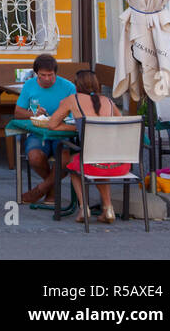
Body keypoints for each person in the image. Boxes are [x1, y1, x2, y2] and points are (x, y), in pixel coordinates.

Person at [44, 69, 126, 224]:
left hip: (92, 161)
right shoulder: (108, 101)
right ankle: (108, 208)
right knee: (98, 160)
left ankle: (84, 208)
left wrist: (77, 127)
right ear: (97, 85)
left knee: (75, 163)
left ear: (76, 85)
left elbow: (52, 124)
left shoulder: (72, 99)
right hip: (120, 164)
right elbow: (121, 123)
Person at [14, 53, 77, 204]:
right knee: (35, 158)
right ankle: (52, 190)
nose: (47, 78)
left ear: (56, 73)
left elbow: (76, 114)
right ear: (36, 74)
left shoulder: (68, 87)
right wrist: (33, 113)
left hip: (62, 131)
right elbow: (17, 113)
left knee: (64, 159)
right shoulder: (29, 85)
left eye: (51, 75)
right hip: (37, 132)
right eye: (43, 75)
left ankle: (40, 190)